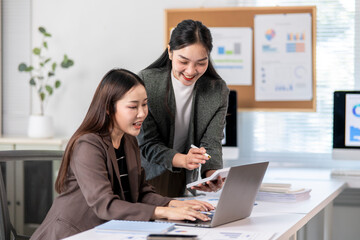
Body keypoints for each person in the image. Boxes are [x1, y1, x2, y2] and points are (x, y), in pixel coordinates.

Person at [30, 69, 214, 240]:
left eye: (145, 104)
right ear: (109, 108)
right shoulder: (88, 145)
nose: (142, 113)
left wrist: (174, 204)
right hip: (73, 233)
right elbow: (105, 205)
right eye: (133, 107)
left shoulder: (129, 141)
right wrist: (164, 212)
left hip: (107, 231)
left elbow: (140, 193)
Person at [137, 19, 230, 197]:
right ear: (170, 52)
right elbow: (147, 144)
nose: (190, 71)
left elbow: (211, 142)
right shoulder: (146, 82)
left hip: (182, 177)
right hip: (145, 174)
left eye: (201, 63)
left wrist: (211, 176)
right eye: (183, 61)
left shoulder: (217, 91)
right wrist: (184, 159)